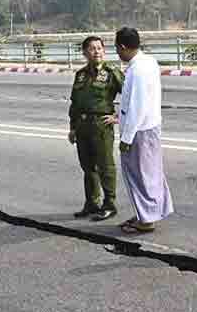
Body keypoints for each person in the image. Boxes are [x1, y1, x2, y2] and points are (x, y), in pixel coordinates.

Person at [115, 27, 173, 233]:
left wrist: (126, 138)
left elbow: (137, 106)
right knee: (152, 173)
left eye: (117, 48)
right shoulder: (149, 62)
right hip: (151, 127)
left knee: (138, 176)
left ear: (122, 47)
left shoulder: (137, 69)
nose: (117, 53)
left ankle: (146, 220)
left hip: (139, 131)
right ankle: (149, 212)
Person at [68, 35, 124, 222]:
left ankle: (109, 204)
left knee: (105, 166)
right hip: (82, 125)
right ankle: (92, 203)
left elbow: (131, 94)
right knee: (88, 167)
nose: (97, 51)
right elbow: (75, 103)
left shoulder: (111, 72)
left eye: (99, 48)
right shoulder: (81, 75)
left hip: (101, 125)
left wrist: (119, 117)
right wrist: (72, 127)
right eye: (92, 48)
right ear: (85, 52)